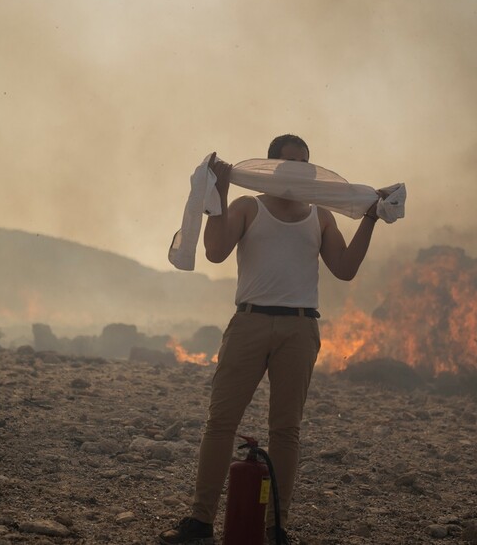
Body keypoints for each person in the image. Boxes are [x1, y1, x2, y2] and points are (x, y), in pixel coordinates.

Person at [159, 135, 390, 544]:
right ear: (272, 167)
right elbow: (214, 251)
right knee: (221, 424)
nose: (297, 170)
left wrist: (370, 218)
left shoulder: (320, 217)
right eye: (289, 163)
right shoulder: (249, 207)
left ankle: (276, 528)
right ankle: (199, 522)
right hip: (250, 322)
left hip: (300, 328)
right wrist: (224, 187)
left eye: (304, 163)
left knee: (286, 431)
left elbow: (346, 268)